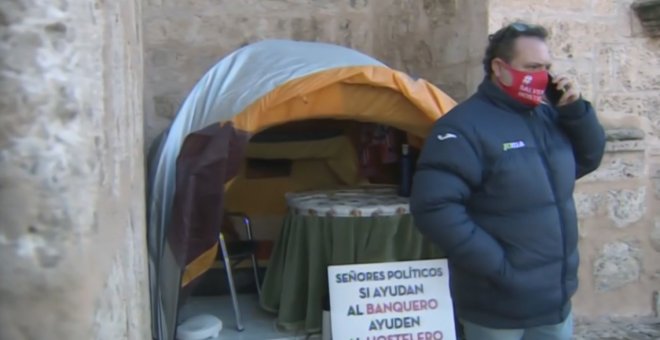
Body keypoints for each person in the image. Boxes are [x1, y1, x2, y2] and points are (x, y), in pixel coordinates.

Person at [410, 22, 606, 340]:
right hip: (496, 307)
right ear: (499, 68)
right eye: (532, 67)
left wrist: (575, 112)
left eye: (546, 68)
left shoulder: (549, 117)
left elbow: (586, 159)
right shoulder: (463, 127)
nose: (543, 77)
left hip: (553, 300)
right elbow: (434, 207)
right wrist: (499, 267)